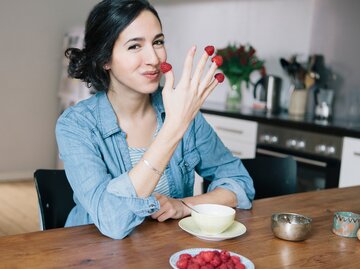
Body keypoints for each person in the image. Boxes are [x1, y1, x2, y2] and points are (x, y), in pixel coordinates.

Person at [56, 0, 255, 240]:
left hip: (164, 251)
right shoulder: (76, 125)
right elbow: (112, 221)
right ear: (105, 60)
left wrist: (184, 205)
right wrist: (172, 129)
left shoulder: (181, 113)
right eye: (134, 46)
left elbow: (240, 183)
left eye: (158, 42)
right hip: (97, 255)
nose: (153, 58)